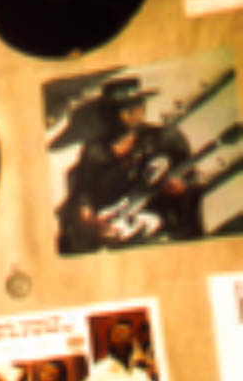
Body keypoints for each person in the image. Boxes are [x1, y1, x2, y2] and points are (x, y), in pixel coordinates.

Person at [56, 77, 198, 253]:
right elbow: (82, 192)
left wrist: (181, 189)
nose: (129, 114)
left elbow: (192, 181)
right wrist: (91, 221)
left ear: (143, 107)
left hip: (159, 232)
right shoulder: (94, 149)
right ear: (106, 114)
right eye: (119, 109)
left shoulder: (166, 137)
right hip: (112, 232)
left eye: (135, 106)